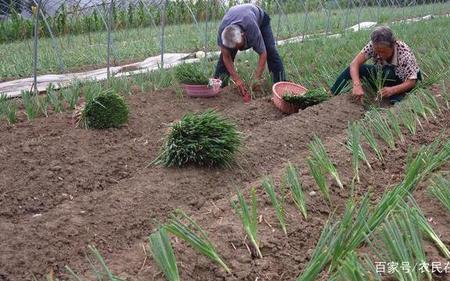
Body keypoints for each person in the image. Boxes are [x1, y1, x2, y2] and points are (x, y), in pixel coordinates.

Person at [330, 26, 421, 104]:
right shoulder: (374, 45)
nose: (379, 55)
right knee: (356, 69)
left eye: (383, 52)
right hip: (383, 73)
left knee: (392, 89)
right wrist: (357, 85)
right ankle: (332, 94)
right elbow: (354, 64)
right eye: (377, 51)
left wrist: (392, 90)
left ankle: (394, 97)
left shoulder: (404, 53)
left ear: (392, 45)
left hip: (403, 80)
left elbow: (411, 82)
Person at [214, 3, 286, 98]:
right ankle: (218, 87)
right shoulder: (222, 34)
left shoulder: (251, 28)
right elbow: (226, 57)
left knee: (270, 50)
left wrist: (256, 79)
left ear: (243, 35)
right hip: (236, 17)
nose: (238, 49)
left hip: (259, 18)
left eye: (239, 46)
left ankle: (280, 86)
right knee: (225, 55)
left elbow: (263, 53)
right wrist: (237, 79)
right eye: (235, 47)